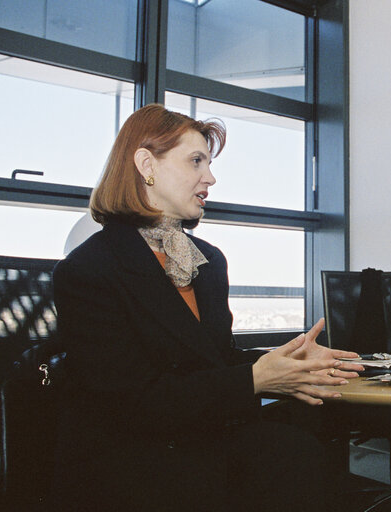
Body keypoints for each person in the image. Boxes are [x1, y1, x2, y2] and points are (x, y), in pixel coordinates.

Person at [51, 103, 363, 511]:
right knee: (288, 459)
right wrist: (255, 378)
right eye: (196, 161)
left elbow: (214, 360)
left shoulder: (207, 261)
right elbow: (133, 402)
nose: (210, 178)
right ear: (147, 164)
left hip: (198, 436)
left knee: (300, 447)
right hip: (132, 454)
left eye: (209, 163)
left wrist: (289, 360)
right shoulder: (88, 271)